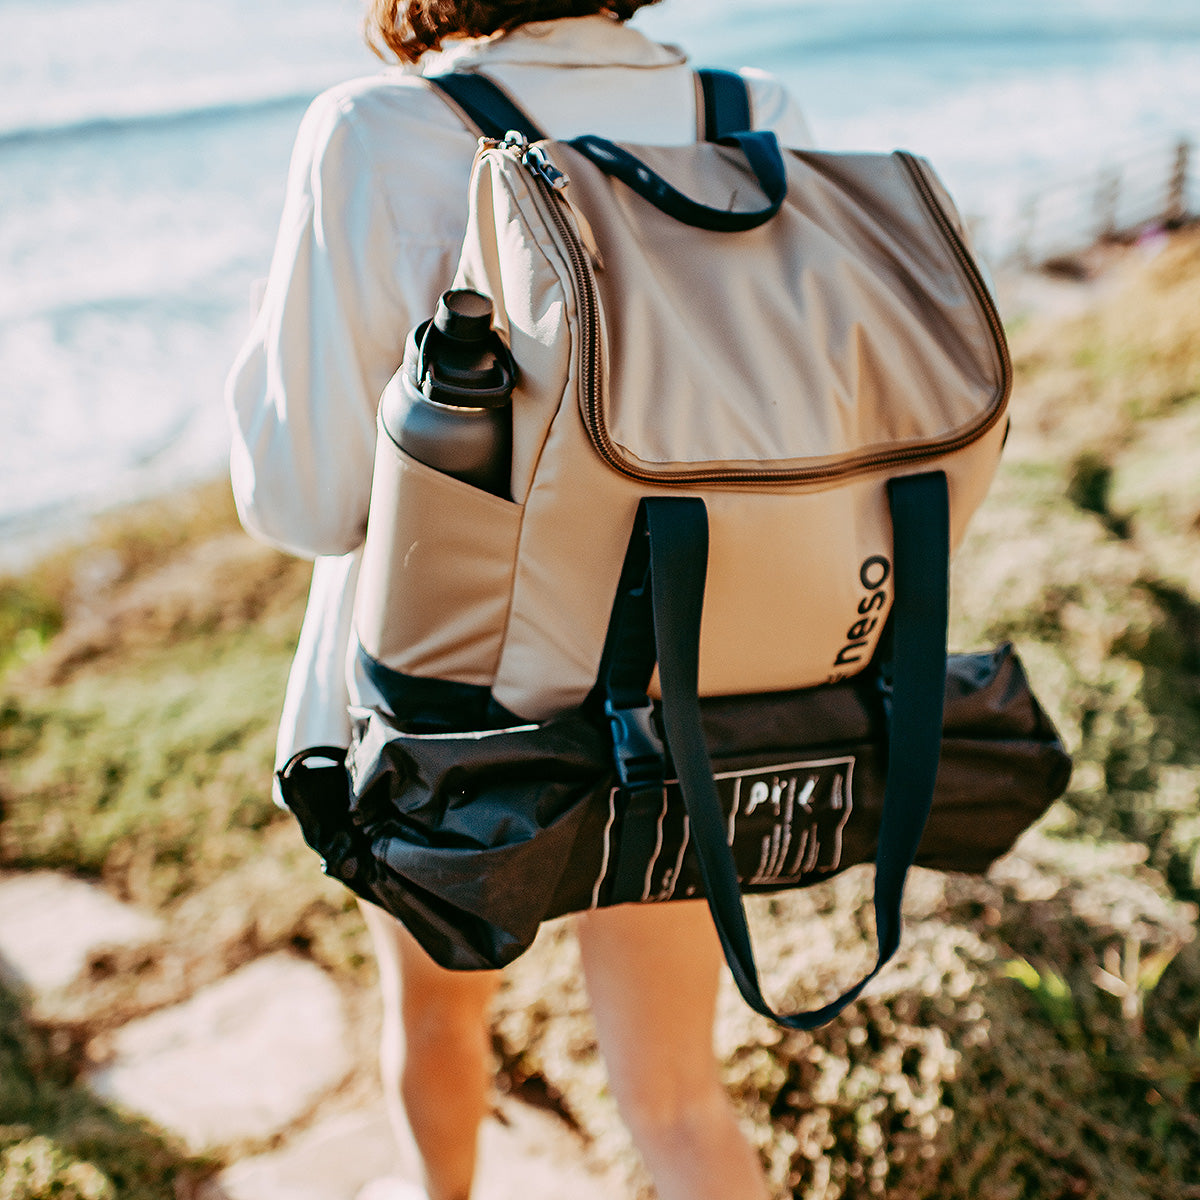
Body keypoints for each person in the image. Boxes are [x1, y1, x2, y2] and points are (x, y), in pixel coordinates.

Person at [226, 4, 811, 1198]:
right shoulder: (748, 116)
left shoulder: (379, 129)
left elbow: (310, 503)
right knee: (677, 1099)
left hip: (453, 710)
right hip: (686, 679)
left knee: (441, 1033)